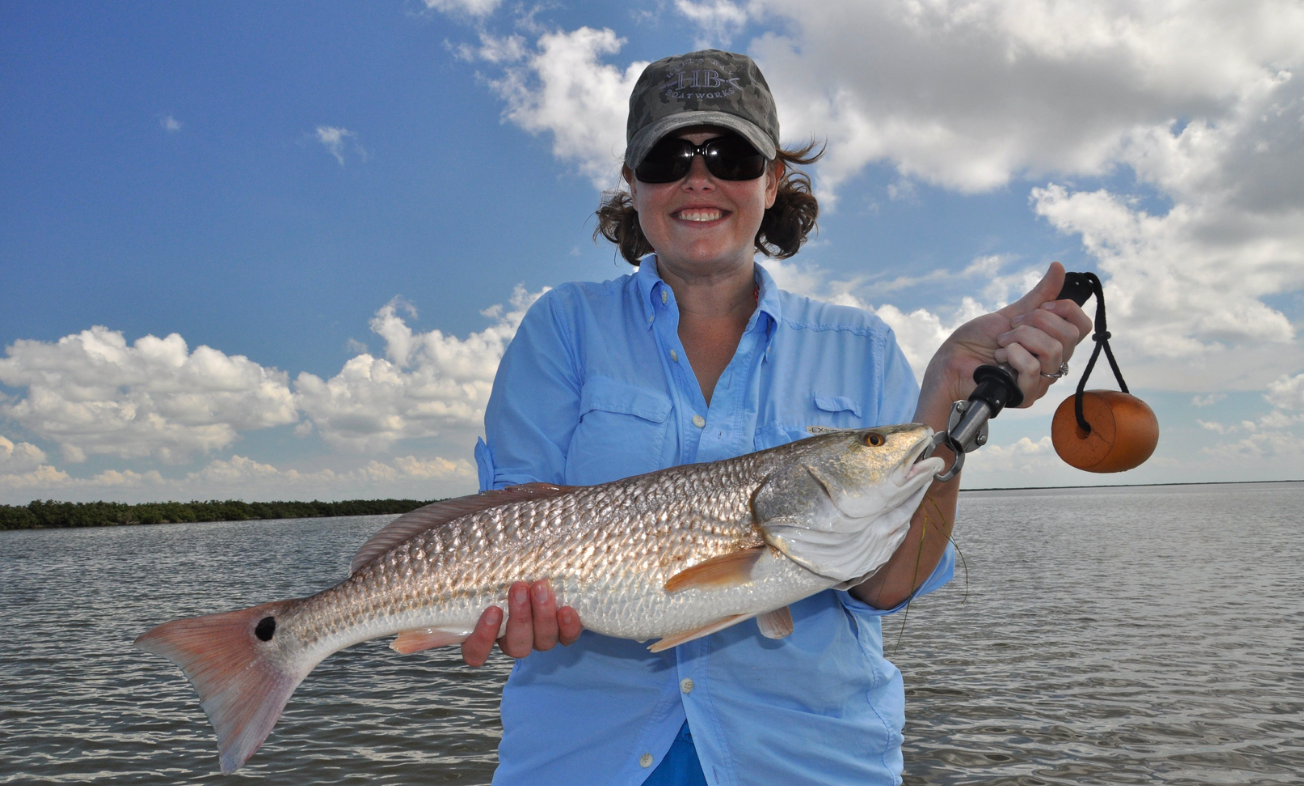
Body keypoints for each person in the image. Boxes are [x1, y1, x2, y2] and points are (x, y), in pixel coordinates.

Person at [463, 50, 1092, 785]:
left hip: (811, 763)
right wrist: (512, 610)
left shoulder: (862, 347)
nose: (698, 178)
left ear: (770, 182)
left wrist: (948, 417)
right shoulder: (561, 329)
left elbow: (890, 585)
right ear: (632, 187)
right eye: (669, 157)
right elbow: (505, 527)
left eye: (728, 153)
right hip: (579, 762)